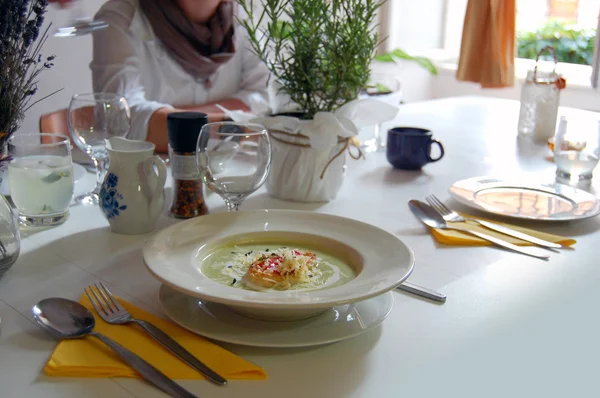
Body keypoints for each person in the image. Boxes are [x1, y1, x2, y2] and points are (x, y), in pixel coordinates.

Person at [83, 0, 270, 152]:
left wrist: (168, 118)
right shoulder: (120, 18)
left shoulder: (247, 16)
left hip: (228, 171)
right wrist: (231, 127)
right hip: (151, 180)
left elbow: (264, 100)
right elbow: (122, 123)